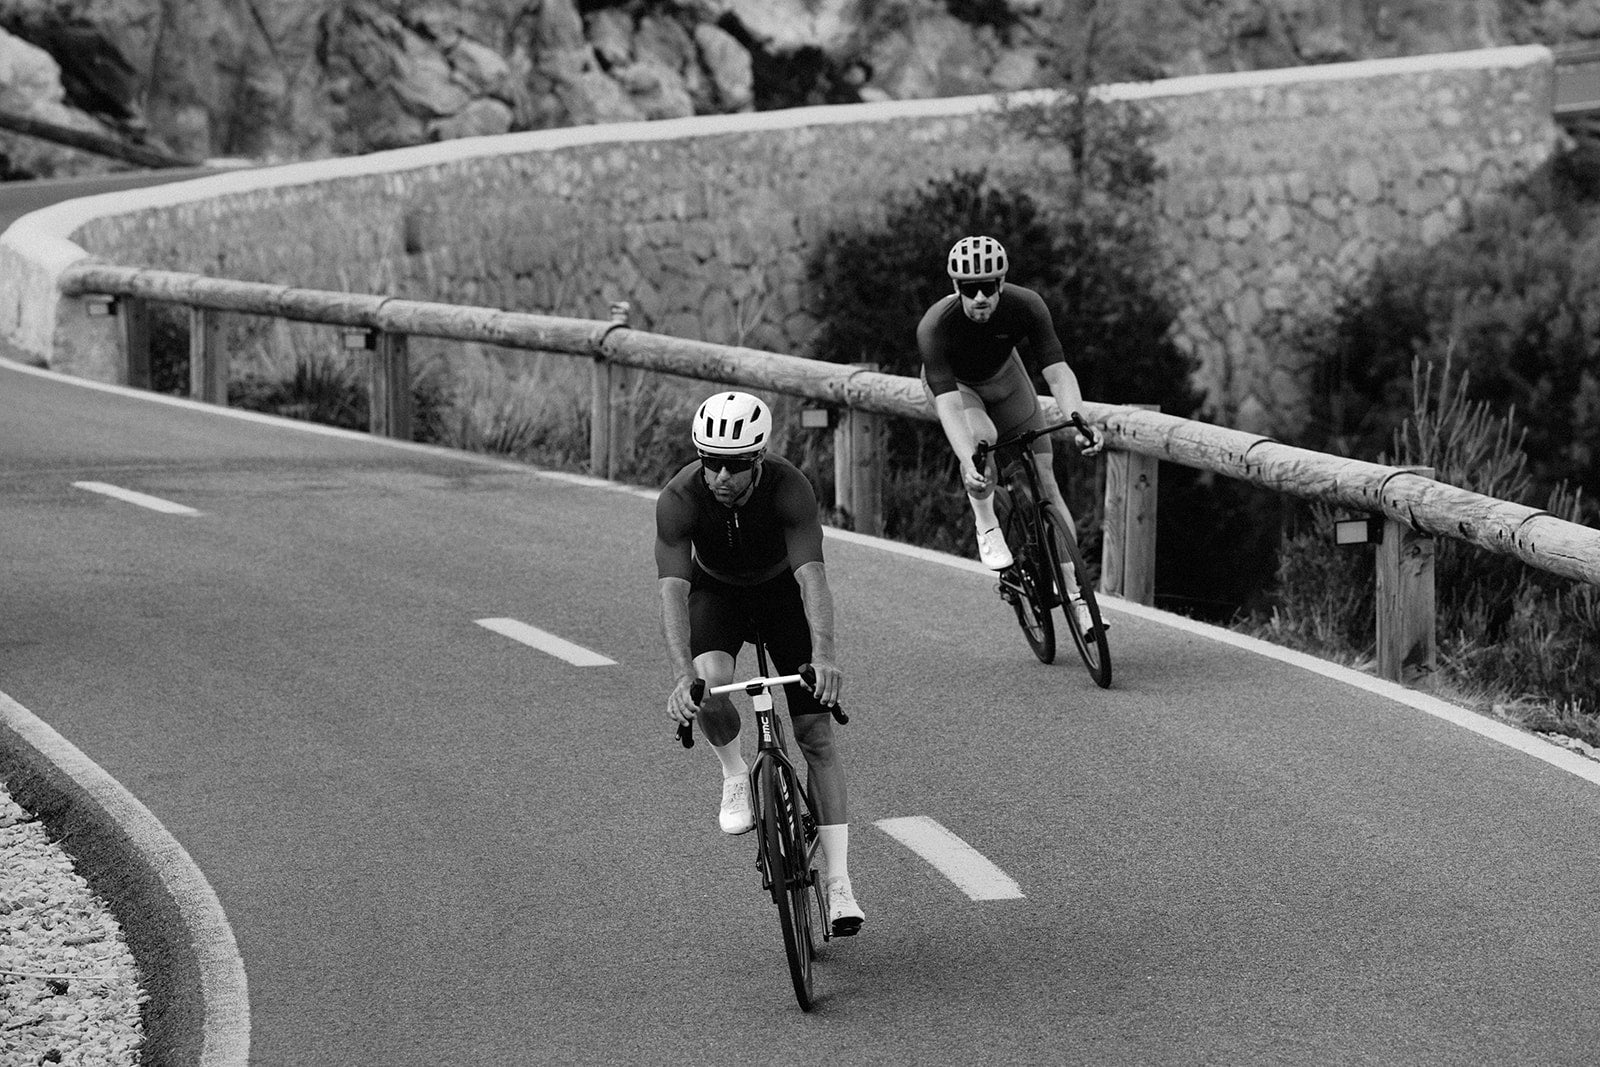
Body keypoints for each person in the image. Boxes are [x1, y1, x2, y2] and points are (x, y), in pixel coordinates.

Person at [655, 390, 864, 936]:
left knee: (816, 736)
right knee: (711, 686)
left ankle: (839, 884)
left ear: (759, 458)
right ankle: (733, 774)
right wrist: (683, 677)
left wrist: (824, 657)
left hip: (780, 596)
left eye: (735, 465)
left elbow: (811, 577)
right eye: (711, 463)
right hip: (717, 597)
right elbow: (674, 591)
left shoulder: (789, 487)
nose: (721, 476)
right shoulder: (679, 498)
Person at [917, 235, 1106, 633]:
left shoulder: (1027, 305)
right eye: (970, 289)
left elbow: (1056, 369)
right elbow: (949, 404)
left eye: (989, 287)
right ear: (956, 288)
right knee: (981, 436)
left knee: (1046, 480)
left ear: (1002, 284)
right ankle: (985, 521)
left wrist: (1079, 419)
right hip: (958, 390)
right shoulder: (936, 325)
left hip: (1007, 382)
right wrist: (969, 460)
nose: (980, 297)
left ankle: (1078, 598)